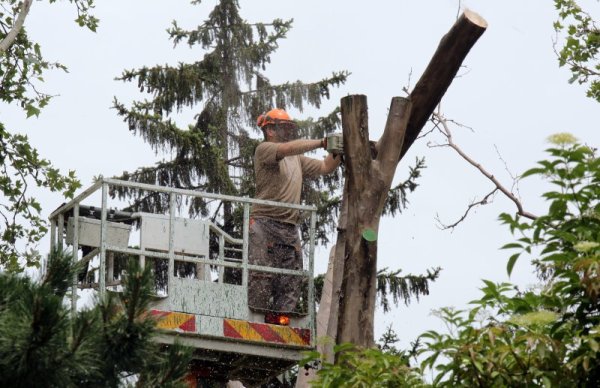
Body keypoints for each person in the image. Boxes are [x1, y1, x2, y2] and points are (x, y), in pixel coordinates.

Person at [248, 108, 341, 315]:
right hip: (264, 223)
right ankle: (256, 317)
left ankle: (283, 319)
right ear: (270, 130)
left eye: (290, 127)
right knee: (261, 275)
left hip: (289, 226)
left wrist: (338, 152)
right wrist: (321, 142)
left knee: (291, 279)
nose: (289, 131)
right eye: (285, 127)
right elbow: (287, 149)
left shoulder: (296, 159)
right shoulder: (264, 149)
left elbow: (326, 167)